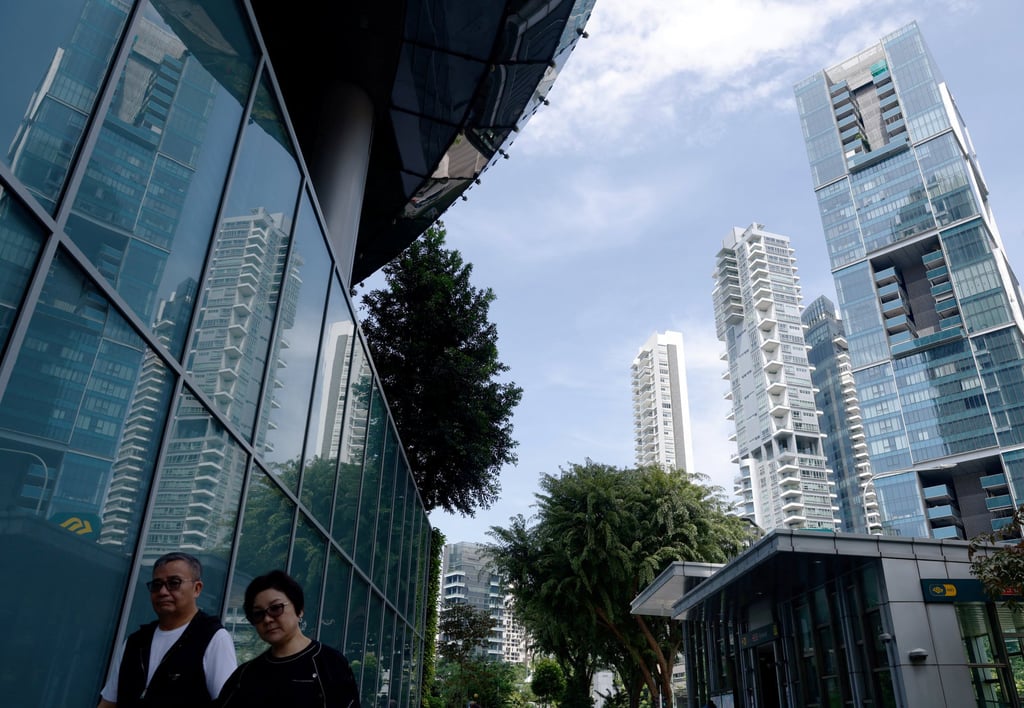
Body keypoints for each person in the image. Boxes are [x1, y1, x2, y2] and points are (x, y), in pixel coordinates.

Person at [98, 552, 237, 708]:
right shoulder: (136, 642)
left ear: (197, 589)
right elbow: (109, 702)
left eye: (174, 583)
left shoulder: (213, 637)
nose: (163, 592)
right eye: (157, 585)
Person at [217, 569, 360, 707]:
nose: (267, 619)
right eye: (258, 614)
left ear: (299, 609)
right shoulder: (246, 675)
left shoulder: (329, 663)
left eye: (275, 608)